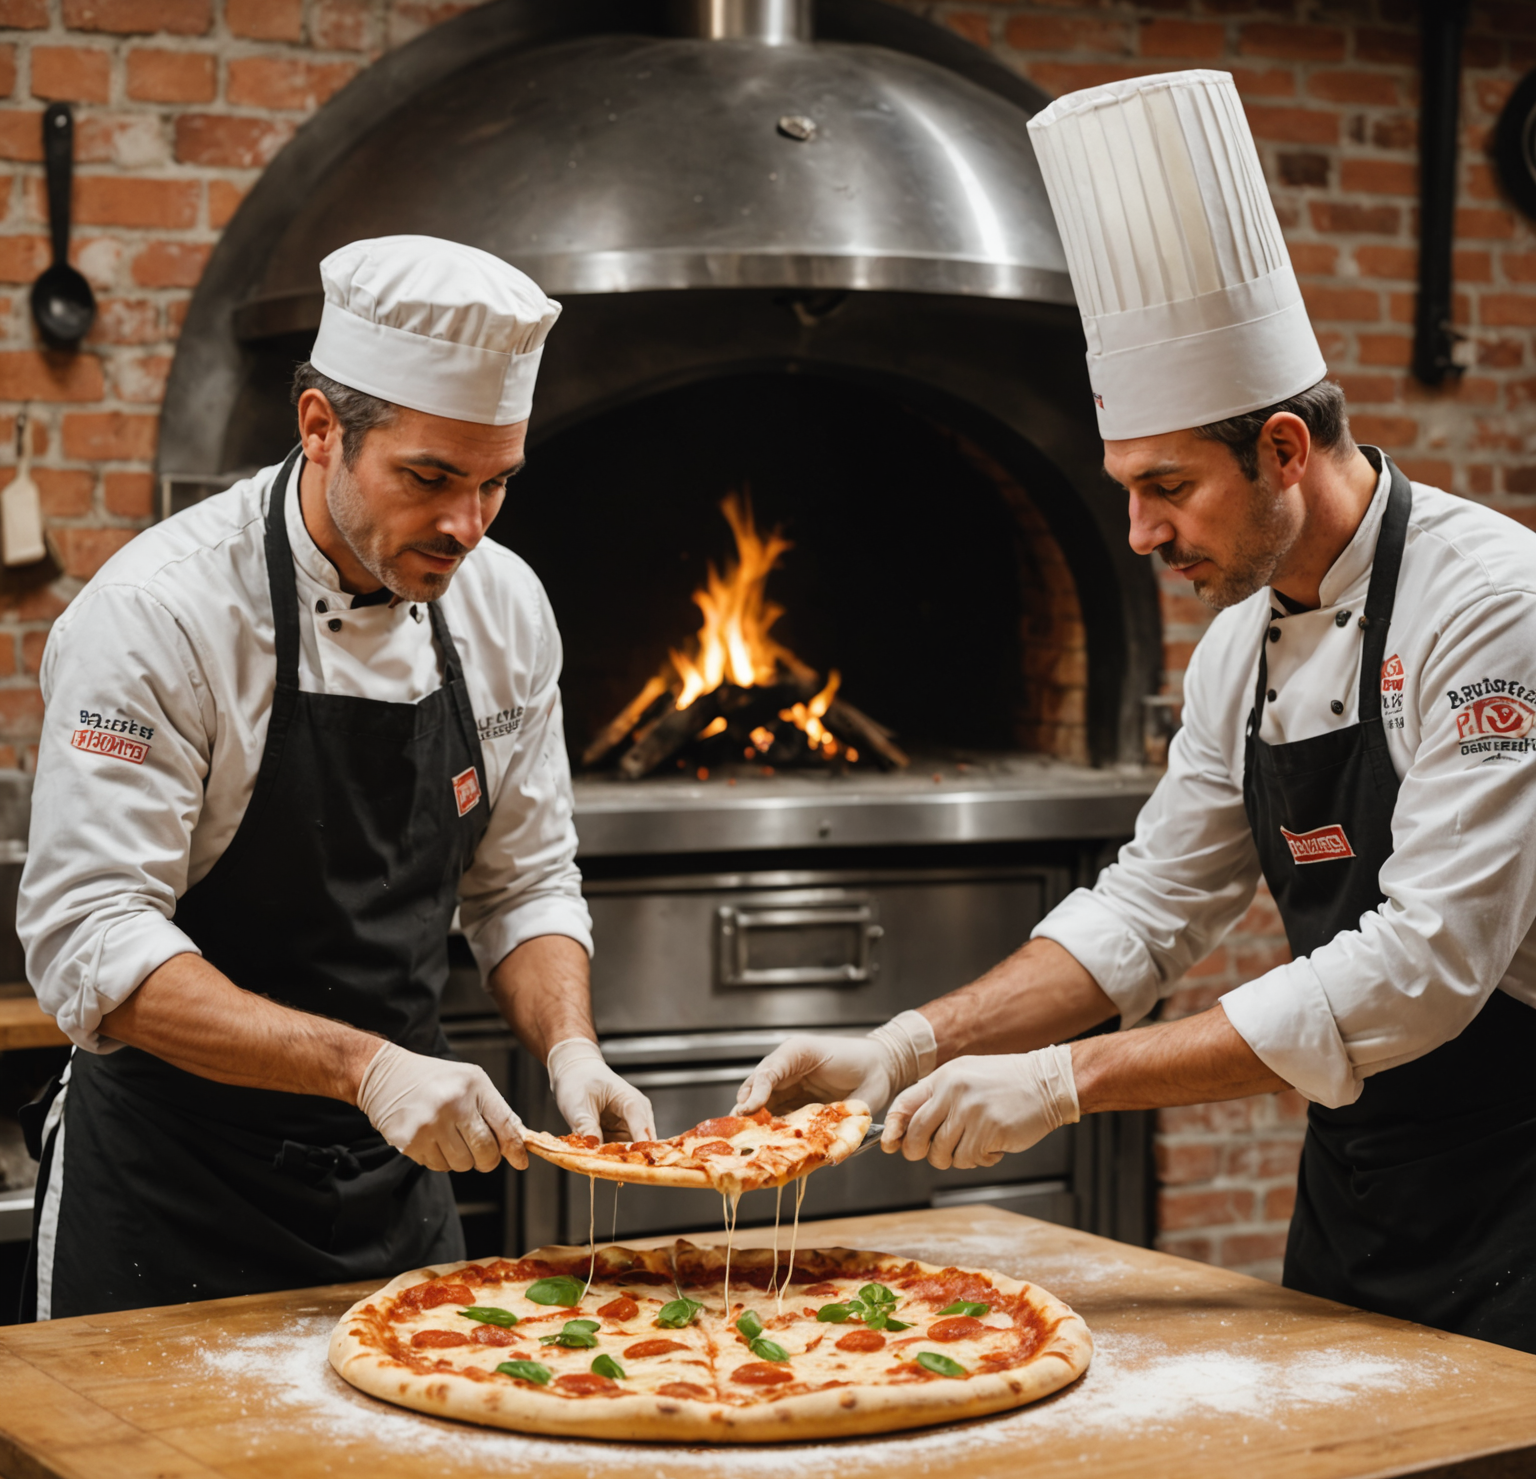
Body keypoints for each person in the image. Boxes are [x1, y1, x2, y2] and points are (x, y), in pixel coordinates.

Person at [738, 71, 1536, 1353]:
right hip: (1364, 1178)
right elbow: (1146, 912)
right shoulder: (1241, 647)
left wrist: (1066, 1085)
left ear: (1284, 450)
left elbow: (1424, 968)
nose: (1139, 530)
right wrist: (903, 1042)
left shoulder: (1494, 607)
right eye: (1124, 486)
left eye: (1168, 486)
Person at [18, 235, 653, 1321]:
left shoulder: (505, 608)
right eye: (430, 478)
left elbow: (525, 884)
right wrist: (369, 1069)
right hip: (171, 1195)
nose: (467, 526)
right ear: (320, 428)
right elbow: (92, 941)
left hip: (397, 1188)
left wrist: (572, 1048)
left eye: (497, 483)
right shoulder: (158, 615)